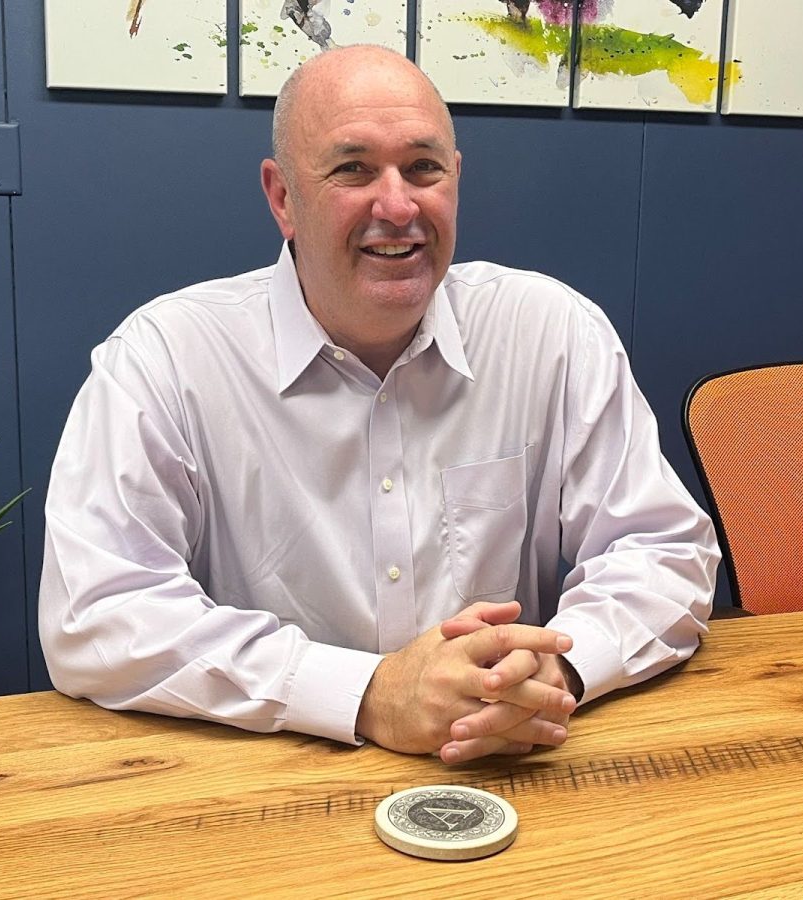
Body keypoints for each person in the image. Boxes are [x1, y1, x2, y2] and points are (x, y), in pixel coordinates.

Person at [39, 45, 720, 765]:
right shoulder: (166, 358)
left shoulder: (550, 331)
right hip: (264, 786)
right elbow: (98, 614)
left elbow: (664, 550)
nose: (397, 206)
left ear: (455, 181)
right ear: (282, 198)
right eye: (352, 169)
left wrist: (556, 669)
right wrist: (365, 692)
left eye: (423, 168)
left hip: (507, 768)